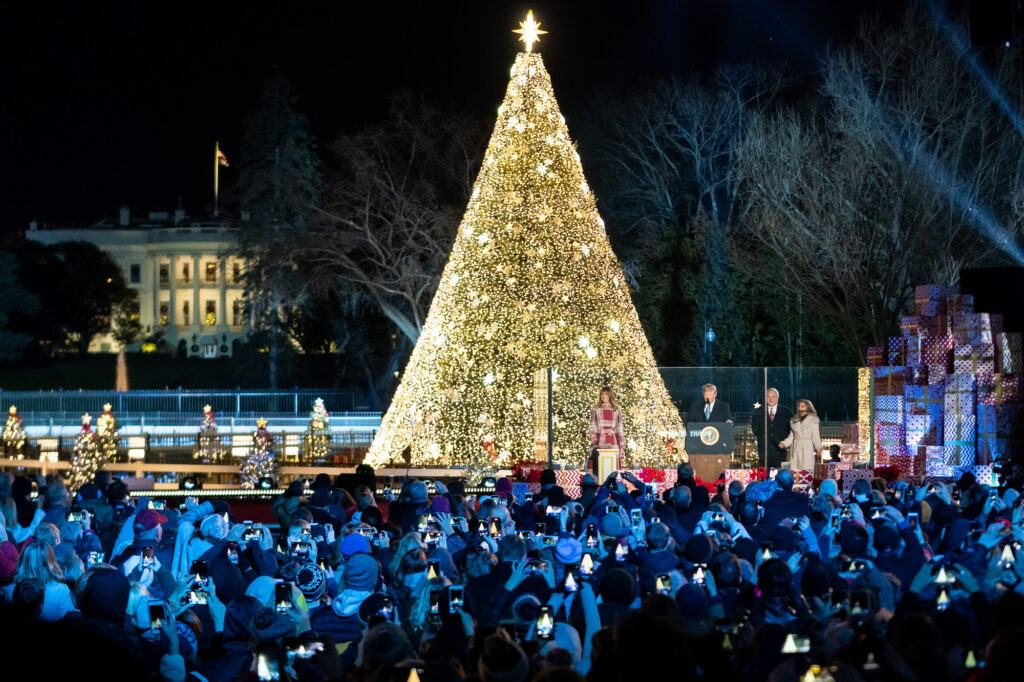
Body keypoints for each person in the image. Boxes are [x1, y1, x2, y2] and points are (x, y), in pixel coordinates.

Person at [750, 388, 793, 469]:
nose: (770, 399)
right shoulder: (758, 412)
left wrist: (784, 442)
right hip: (764, 450)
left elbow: (790, 430)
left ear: (777, 397)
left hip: (781, 450)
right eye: (768, 397)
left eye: (773, 396)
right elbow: (755, 429)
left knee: (780, 476)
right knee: (764, 475)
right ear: (765, 398)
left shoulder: (787, 412)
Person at [588, 386, 625, 472]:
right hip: (599, 439)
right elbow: (592, 425)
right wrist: (593, 438)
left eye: (606, 394)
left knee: (612, 465)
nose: (603, 396)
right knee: (598, 464)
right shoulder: (596, 409)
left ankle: (613, 483)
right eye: (602, 394)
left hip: (613, 440)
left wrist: (622, 446)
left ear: (610, 396)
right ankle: (598, 483)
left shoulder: (616, 410)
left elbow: (620, 427)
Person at [780, 398, 823, 470]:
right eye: (799, 406)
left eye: (802, 406)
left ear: (808, 407)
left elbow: (815, 436)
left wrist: (818, 447)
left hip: (806, 447)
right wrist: (784, 443)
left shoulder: (813, 421)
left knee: (805, 469)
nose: (800, 408)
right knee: (794, 469)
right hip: (795, 447)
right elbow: (791, 436)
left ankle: (806, 480)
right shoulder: (794, 421)